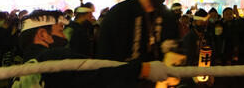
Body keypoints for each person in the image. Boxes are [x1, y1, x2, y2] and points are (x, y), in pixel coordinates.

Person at [17, 10, 172, 87]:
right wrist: (142, 69)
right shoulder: (53, 56)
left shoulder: (19, 72)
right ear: (43, 34)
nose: (64, 37)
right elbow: (100, 73)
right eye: (59, 30)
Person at [96, 0, 180, 64]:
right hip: (124, 77)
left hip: (157, 78)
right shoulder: (119, 13)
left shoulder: (167, 17)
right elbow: (104, 56)